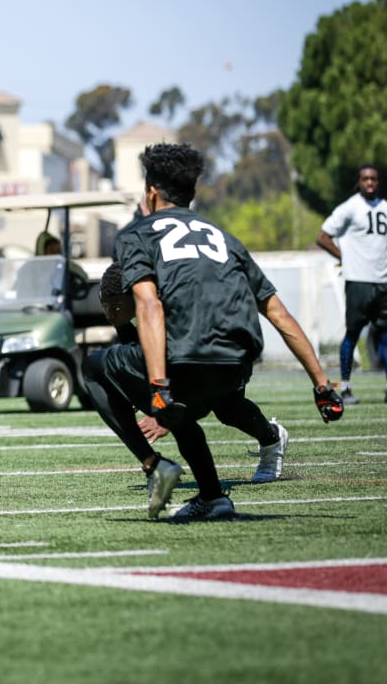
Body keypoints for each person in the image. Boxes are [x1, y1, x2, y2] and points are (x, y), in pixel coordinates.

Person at [100, 143, 343, 520]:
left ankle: (154, 466)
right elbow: (277, 312)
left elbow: (149, 306)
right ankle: (213, 498)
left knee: (94, 368)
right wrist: (322, 385)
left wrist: (158, 386)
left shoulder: (137, 234)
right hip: (237, 361)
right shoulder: (224, 237)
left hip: (185, 361)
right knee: (198, 408)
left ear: (150, 193)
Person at [84, 262, 292, 518]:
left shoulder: (174, 305)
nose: (109, 314)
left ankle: (272, 439)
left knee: (226, 407)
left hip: (227, 346)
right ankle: (209, 495)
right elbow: (138, 353)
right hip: (193, 355)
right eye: (105, 305)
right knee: (183, 410)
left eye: (114, 306)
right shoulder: (136, 299)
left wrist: (166, 410)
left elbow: (193, 373)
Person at [316, 164, 387, 405]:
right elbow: (323, 236)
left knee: (385, 335)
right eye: (366, 179)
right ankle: (345, 387)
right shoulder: (349, 207)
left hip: (383, 282)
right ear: (359, 182)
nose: (370, 183)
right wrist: (344, 258)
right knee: (353, 333)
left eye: (374, 179)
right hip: (358, 282)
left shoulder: (385, 207)